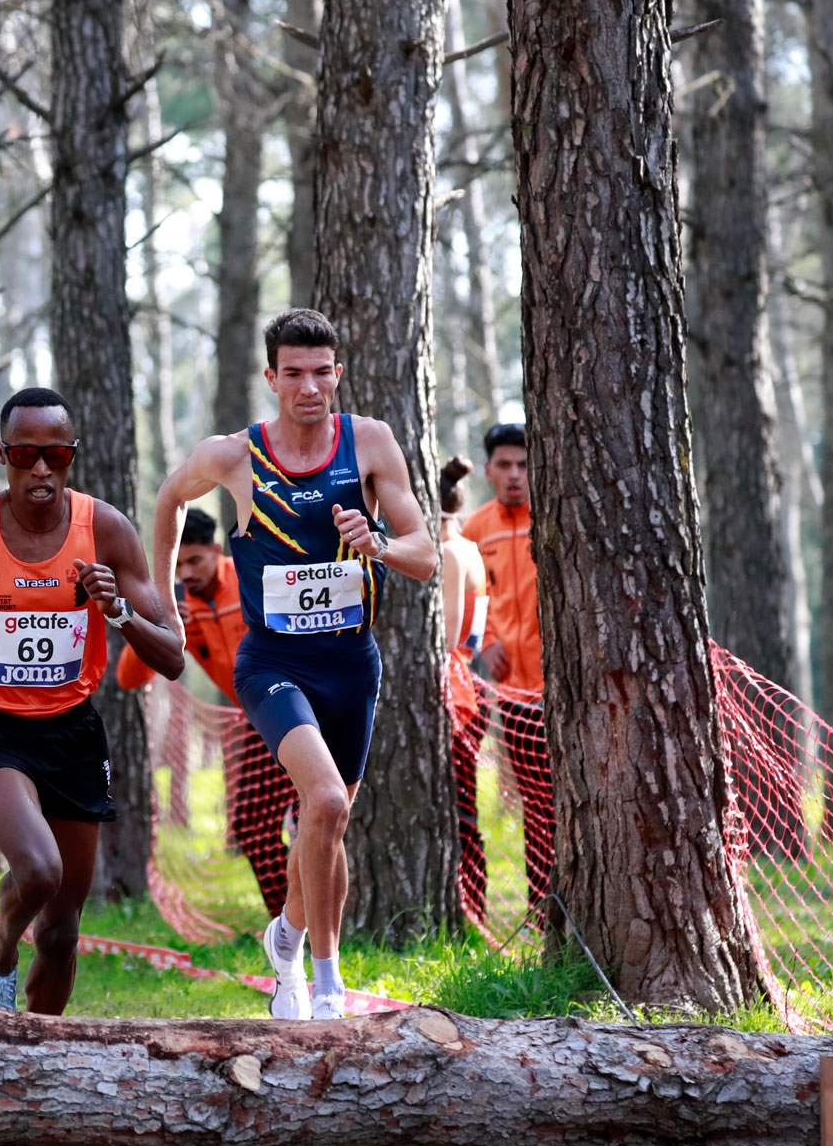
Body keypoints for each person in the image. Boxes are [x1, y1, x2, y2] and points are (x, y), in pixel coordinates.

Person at [151, 309, 437, 1020]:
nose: (309, 388)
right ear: (271, 378)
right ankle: (320, 981)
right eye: (294, 375)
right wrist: (165, 603)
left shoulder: (369, 442)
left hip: (351, 664)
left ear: (337, 374)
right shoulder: (235, 456)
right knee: (329, 802)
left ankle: (287, 933)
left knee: (327, 823)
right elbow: (168, 500)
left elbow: (425, 557)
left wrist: (375, 543)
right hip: (273, 663)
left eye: (322, 373)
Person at [0, 388, 184, 1014]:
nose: (41, 469)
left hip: (72, 733)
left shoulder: (104, 529)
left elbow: (172, 656)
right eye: (25, 454)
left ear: (72, 456)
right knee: (39, 870)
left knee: (61, 931)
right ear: (3, 454)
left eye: (56, 454)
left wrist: (120, 610)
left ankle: (40, 1064)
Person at [113, 507, 297, 917]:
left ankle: (323, 920)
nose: (186, 574)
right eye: (177, 565)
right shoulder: (179, 605)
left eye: (194, 560)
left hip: (301, 712)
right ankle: (287, 924)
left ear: (217, 550)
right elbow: (128, 678)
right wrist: (163, 627)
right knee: (251, 830)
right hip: (256, 724)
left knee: (310, 822)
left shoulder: (255, 577)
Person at [460, 421, 553, 918]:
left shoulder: (555, 518)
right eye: (505, 465)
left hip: (565, 690)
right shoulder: (476, 529)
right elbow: (469, 600)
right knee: (536, 808)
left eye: (523, 464)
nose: (515, 474)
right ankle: (544, 911)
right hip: (512, 694)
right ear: (490, 469)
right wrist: (486, 643)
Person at [439, 457, 489, 923]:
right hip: (470, 684)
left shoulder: (451, 554)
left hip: (456, 689)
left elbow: (450, 634)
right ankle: (470, 898)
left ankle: (471, 901)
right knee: (461, 801)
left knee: (459, 804)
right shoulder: (470, 547)